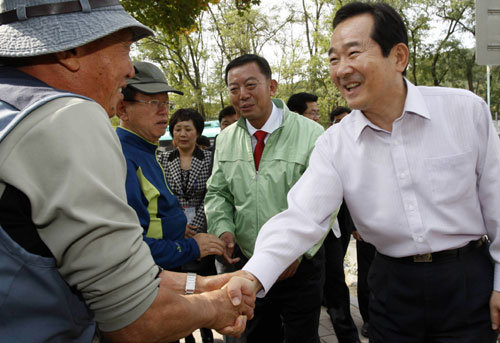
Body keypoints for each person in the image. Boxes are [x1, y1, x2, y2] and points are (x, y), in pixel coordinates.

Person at [242, 2, 500, 343]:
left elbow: (497, 203)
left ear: (398, 57)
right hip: (391, 288)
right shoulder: (335, 143)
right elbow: (301, 218)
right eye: (334, 59)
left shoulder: (464, 111)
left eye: (353, 53)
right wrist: (251, 277)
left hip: (467, 281)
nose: (341, 69)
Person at [0, 1, 254, 342]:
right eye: (124, 48)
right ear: (71, 50)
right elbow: (134, 318)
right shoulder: (66, 118)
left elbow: (110, 270)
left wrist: (203, 284)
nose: (130, 69)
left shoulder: (13, 106)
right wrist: (218, 307)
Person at [205, 54, 326, 343]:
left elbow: (325, 201)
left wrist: (296, 251)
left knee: (302, 337)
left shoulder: (311, 133)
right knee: (258, 335)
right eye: (234, 88)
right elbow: (217, 191)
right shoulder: (225, 139)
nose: (242, 95)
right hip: (250, 261)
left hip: (300, 264)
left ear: (271, 86)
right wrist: (223, 227)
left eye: (250, 85)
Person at [116, 61, 225, 271]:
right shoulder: (122, 157)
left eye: (166, 104)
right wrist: (191, 247)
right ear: (123, 109)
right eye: (153, 103)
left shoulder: (148, 151)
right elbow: (128, 248)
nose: (163, 112)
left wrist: (176, 228)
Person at [158, 108, 217, 343]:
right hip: (174, 233)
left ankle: (207, 333)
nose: (182, 134)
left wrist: (196, 226)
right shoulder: (162, 159)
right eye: (177, 129)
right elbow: (162, 196)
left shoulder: (209, 159)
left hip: (201, 231)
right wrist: (179, 224)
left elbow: (212, 194)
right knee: (178, 289)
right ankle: (185, 335)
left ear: (197, 132)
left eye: (188, 129)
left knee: (201, 287)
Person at [329, 106, 376, 339]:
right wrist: (356, 225)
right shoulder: (332, 149)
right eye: (338, 121)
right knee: (367, 274)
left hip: (386, 227)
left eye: (348, 120)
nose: (344, 125)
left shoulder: (372, 143)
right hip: (356, 225)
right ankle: (368, 320)